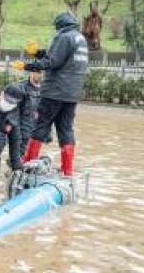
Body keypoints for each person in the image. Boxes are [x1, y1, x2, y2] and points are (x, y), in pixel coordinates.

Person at [11, 11, 88, 176]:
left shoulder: (63, 37)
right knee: (65, 129)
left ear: (60, 25)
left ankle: (28, 165)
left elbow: (51, 62)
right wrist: (38, 52)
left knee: (40, 125)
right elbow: (60, 57)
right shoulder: (80, 38)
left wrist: (26, 66)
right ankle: (67, 170)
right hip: (71, 94)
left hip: (54, 92)